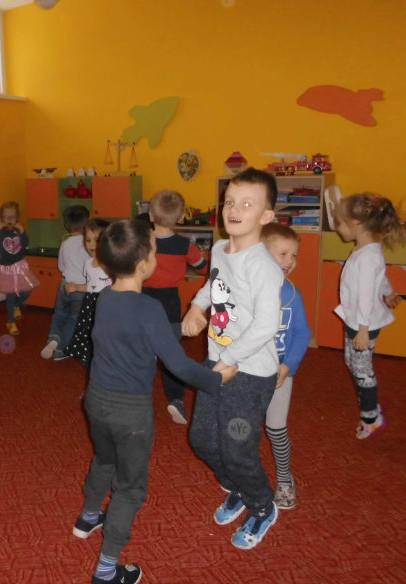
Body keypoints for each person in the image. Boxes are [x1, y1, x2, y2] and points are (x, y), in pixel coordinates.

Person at [72, 219, 235, 584]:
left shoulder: (105, 298)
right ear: (145, 263)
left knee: (104, 460)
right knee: (130, 487)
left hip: (96, 401)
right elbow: (179, 366)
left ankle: (88, 517)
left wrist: (179, 329)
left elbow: (133, 332)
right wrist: (216, 378)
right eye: (155, 250)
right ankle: (106, 571)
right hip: (131, 414)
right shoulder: (148, 308)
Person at [181, 167, 283, 550]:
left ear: (266, 215)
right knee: (203, 439)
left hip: (250, 373)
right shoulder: (220, 249)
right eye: (229, 202)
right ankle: (239, 488)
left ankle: (262, 505)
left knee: (237, 447)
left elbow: (266, 325)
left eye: (246, 204)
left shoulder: (263, 266)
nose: (234, 210)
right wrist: (197, 307)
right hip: (218, 363)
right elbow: (214, 284)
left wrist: (230, 358)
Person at [333, 192, 406, 439]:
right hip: (356, 319)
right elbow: (380, 277)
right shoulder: (367, 249)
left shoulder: (367, 256)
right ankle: (370, 403)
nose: (337, 228)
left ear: (356, 224)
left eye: (340, 223)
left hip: (363, 323)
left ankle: (371, 417)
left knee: (362, 371)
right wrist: (388, 292)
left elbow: (366, 294)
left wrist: (363, 328)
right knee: (352, 362)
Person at [142, 190, 208, 425]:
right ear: (181, 218)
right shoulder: (184, 245)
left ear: (151, 215)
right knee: (170, 347)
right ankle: (176, 399)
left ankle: (139, 393)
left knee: (141, 345)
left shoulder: (143, 241)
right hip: (169, 299)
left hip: (142, 297)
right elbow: (203, 267)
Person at [260, 223, 311, 509]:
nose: (290, 261)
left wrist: (288, 366)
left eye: (294, 255)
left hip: (280, 373)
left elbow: (302, 334)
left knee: (276, 428)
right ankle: (247, 477)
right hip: (249, 373)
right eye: (283, 254)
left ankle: (284, 479)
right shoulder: (248, 291)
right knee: (243, 429)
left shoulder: (293, 295)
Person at [41, 204, 90, 360]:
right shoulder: (89, 244)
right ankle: (61, 350)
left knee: (60, 315)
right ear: (87, 223)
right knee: (73, 319)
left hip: (65, 285)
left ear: (66, 225)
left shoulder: (65, 243)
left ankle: (53, 338)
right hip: (80, 288)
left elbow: (61, 266)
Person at [63, 218, 111, 369]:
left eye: (97, 240)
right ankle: (92, 368)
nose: (91, 245)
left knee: (104, 341)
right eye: (88, 240)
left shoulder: (111, 264)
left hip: (106, 306)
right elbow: (91, 285)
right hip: (89, 308)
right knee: (88, 340)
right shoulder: (88, 263)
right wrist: (77, 287)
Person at [0, 202, 40, 336]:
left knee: (26, 291)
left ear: (17, 217)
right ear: (1, 218)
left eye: (13, 217)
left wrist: (22, 232)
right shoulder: (1, 232)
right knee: (10, 295)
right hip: (7, 269)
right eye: (6, 217)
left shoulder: (19, 230)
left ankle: (16, 305)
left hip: (20, 267)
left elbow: (26, 243)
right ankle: (11, 322)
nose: (10, 220)